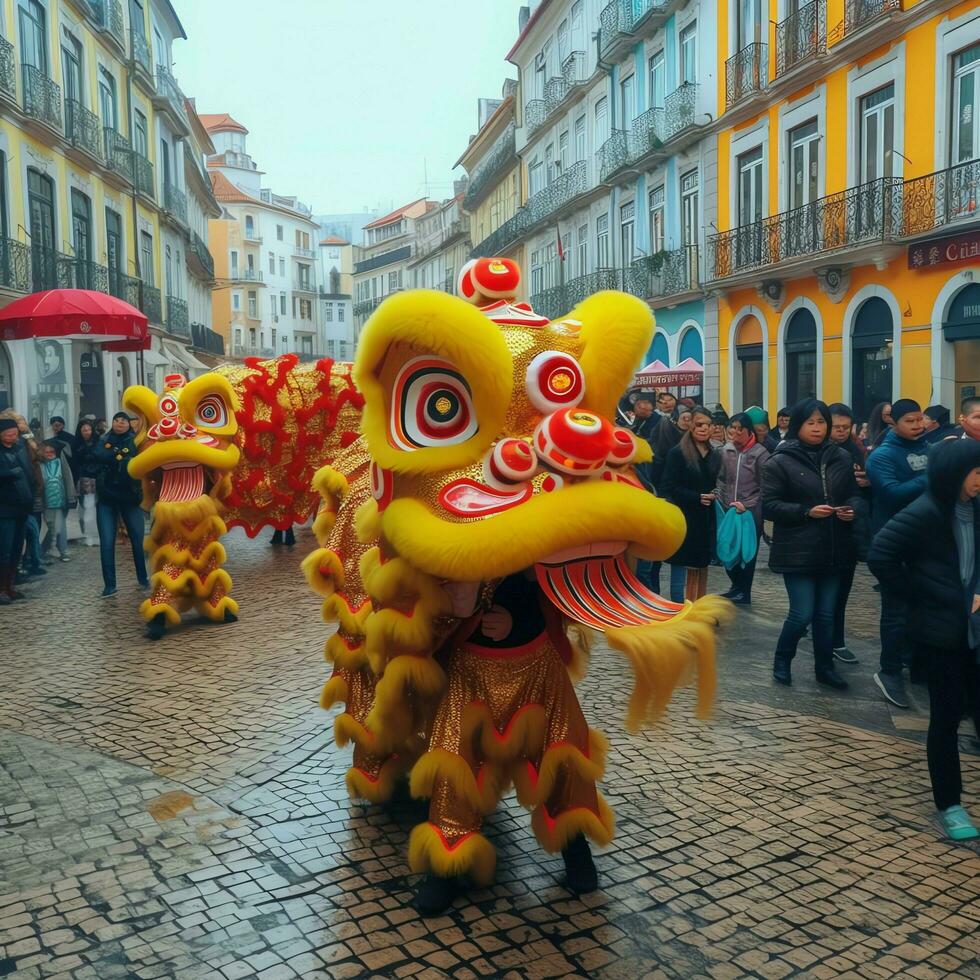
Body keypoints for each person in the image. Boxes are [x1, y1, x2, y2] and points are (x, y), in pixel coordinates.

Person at [867, 439, 980, 841]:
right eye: (977, 471)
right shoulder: (926, 511)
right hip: (940, 634)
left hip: (975, 631)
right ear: (955, 472)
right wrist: (923, 593)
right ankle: (949, 803)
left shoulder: (975, 508)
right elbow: (880, 554)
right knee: (946, 720)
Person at [762, 400, 861, 690]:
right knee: (802, 613)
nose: (817, 428)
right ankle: (782, 659)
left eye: (822, 422)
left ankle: (824, 667)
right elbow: (769, 506)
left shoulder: (840, 456)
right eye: (811, 422)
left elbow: (855, 493)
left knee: (827, 614)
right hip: (798, 549)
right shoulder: (780, 460)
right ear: (798, 426)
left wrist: (852, 508)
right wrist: (806, 511)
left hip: (835, 547)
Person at [866, 399, 929, 707]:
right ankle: (889, 670)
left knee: (920, 607)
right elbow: (891, 494)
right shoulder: (881, 456)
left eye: (921, 419)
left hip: (924, 542)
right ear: (894, 423)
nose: (918, 426)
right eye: (911, 421)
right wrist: (932, 477)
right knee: (896, 610)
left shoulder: (929, 449)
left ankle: (914, 664)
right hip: (892, 542)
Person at [660, 407, 720, 601]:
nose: (703, 428)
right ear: (690, 425)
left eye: (708, 425)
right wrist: (696, 497)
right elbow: (669, 486)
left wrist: (715, 494)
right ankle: (679, 607)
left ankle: (698, 606)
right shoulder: (677, 453)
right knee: (680, 566)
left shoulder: (714, 453)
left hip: (705, 518)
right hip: (684, 516)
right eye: (699, 424)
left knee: (701, 565)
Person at [828, 403, 870, 666]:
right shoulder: (815, 451)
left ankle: (836, 640)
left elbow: (862, 492)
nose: (841, 432)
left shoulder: (856, 451)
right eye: (837, 427)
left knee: (841, 590)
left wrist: (866, 484)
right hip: (818, 529)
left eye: (846, 427)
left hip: (848, 529)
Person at [714, 413, 768, 604]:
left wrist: (748, 504)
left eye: (739, 428)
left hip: (750, 511)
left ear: (748, 431)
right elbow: (719, 478)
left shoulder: (760, 453)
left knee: (747, 550)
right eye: (732, 427)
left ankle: (744, 591)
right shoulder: (725, 451)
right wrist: (721, 498)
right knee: (727, 546)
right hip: (727, 508)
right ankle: (735, 586)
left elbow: (765, 486)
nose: (734, 432)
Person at [93, 411, 148, 597]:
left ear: (129, 424)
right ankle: (109, 584)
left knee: (137, 540)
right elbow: (96, 457)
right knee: (107, 542)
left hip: (130, 497)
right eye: (116, 420)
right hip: (106, 498)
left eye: (123, 421)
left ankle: (143, 578)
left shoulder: (135, 441)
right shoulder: (103, 439)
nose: (119, 423)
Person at [0, 417, 35, 603]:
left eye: (15, 434)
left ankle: (10, 586)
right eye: (8, 434)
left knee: (15, 549)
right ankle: (1, 589)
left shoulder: (20, 449)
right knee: (4, 550)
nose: (12, 437)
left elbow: (29, 471)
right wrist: (9, 474)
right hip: (4, 509)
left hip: (22, 508)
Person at [39, 440, 76, 562]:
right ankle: (43, 550)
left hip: (61, 499)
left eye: (52, 451)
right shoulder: (40, 465)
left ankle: (62, 551)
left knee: (60, 525)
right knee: (51, 526)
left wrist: (71, 497)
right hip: (46, 501)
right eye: (46, 452)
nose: (49, 454)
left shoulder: (60, 462)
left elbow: (68, 478)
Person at [650, 406, 692, 489]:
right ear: (676, 418)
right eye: (684, 418)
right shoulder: (665, 426)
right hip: (661, 468)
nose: (686, 422)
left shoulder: (693, 434)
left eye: (689, 419)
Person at [73, 419, 100, 546]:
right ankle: (88, 535)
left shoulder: (98, 442)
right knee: (87, 507)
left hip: (98, 477)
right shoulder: (77, 444)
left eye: (88, 429)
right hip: (85, 479)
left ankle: (96, 535)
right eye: (84, 430)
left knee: (97, 507)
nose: (87, 432)